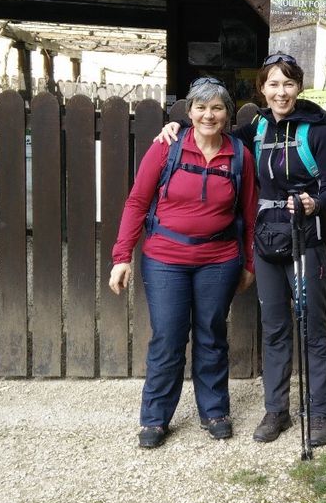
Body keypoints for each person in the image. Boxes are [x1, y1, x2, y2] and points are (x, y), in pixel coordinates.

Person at [157, 53, 326, 448]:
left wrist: (314, 203)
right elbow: (212, 132)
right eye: (273, 84)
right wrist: (176, 125)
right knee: (274, 330)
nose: (281, 92)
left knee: (311, 328)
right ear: (262, 89)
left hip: (304, 241)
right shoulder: (254, 130)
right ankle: (277, 411)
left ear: (298, 87)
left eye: (288, 84)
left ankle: (320, 411)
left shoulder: (318, 132)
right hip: (266, 246)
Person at [109, 77, 257, 449]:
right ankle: (155, 418)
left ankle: (214, 411)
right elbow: (136, 203)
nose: (209, 115)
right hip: (165, 259)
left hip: (219, 259)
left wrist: (250, 264)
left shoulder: (240, 156)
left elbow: (251, 215)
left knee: (211, 335)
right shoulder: (166, 148)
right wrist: (121, 256)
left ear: (227, 113)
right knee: (168, 337)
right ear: (189, 111)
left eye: (217, 107)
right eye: (201, 107)